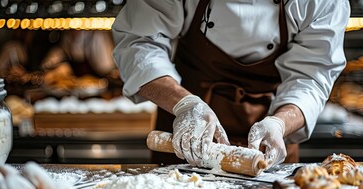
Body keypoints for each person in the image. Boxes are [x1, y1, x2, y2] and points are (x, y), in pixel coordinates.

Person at [111, 0, 350, 166]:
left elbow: (312, 75)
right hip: (186, 132)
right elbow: (139, 42)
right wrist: (184, 104)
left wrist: (280, 123)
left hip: (271, 140)